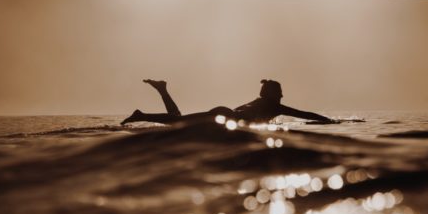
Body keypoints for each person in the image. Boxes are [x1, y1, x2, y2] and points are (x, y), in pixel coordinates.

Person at [121, 79, 336, 125]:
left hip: (223, 115)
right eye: (280, 92)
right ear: (272, 94)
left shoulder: (262, 101)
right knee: (179, 123)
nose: (282, 96)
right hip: (223, 117)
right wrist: (331, 121)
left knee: (179, 120)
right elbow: (305, 114)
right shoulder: (273, 106)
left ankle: (162, 90)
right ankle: (142, 115)